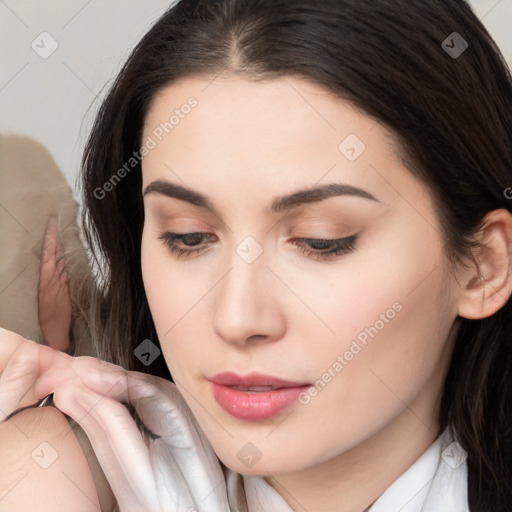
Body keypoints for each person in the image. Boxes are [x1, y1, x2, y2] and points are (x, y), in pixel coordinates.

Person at [1, 0, 511, 510]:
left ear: (483, 267)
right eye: (188, 237)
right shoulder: (49, 476)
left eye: (320, 241)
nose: (237, 318)